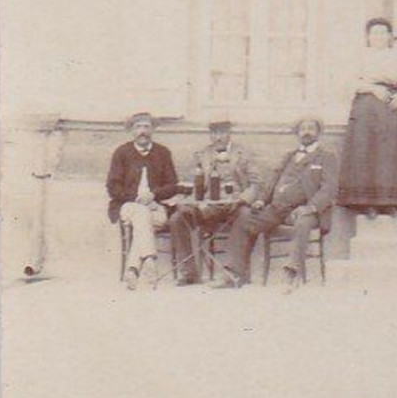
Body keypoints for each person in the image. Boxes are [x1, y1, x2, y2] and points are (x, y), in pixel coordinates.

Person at [215, 116, 338, 292]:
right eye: (303, 128)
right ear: (297, 133)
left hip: (309, 211)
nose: (307, 132)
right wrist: (260, 200)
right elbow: (271, 182)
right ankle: (235, 273)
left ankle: (291, 274)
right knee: (244, 219)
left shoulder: (326, 156)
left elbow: (329, 188)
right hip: (278, 209)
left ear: (319, 132)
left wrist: (311, 207)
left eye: (311, 128)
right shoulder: (289, 156)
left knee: (302, 222)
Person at [339, 17, 397, 217]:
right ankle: (367, 203)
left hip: (391, 105)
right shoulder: (360, 56)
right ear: (368, 36)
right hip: (366, 105)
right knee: (366, 151)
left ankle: (389, 202)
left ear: (390, 36)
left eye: (383, 33)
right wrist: (373, 89)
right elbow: (349, 83)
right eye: (375, 33)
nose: (379, 37)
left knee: (389, 153)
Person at [169, 118, 260, 286]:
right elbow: (191, 183)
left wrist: (242, 200)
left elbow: (255, 184)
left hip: (235, 206)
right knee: (177, 218)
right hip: (208, 206)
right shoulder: (201, 154)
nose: (218, 137)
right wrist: (196, 201)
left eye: (222, 132)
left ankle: (232, 273)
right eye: (214, 133)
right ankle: (189, 272)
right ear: (210, 135)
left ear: (229, 133)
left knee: (245, 214)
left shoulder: (244, 153)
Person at [104, 112, 186, 290]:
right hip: (127, 206)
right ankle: (149, 258)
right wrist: (136, 198)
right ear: (132, 131)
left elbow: (173, 185)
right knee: (141, 212)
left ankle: (133, 270)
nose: (142, 131)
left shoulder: (163, 153)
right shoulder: (122, 153)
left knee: (144, 223)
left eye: (146, 127)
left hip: (156, 207)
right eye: (138, 127)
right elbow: (113, 187)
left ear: (152, 130)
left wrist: (154, 195)